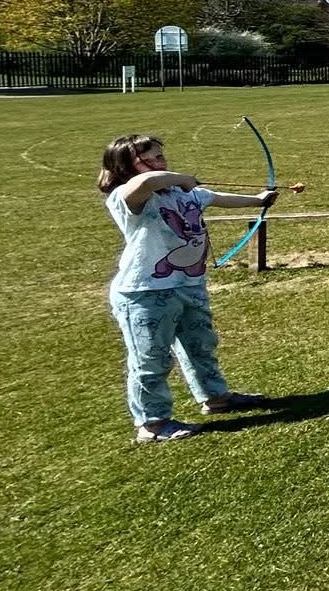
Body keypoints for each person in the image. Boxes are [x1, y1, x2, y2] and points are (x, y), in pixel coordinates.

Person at [97, 133, 278, 443]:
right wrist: (182, 178)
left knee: (199, 345)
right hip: (144, 293)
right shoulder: (128, 198)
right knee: (151, 358)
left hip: (188, 285)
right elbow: (146, 184)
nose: (159, 162)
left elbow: (218, 198)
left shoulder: (184, 195)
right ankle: (152, 424)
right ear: (125, 167)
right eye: (151, 158)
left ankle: (215, 397)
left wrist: (259, 200)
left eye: (160, 156)